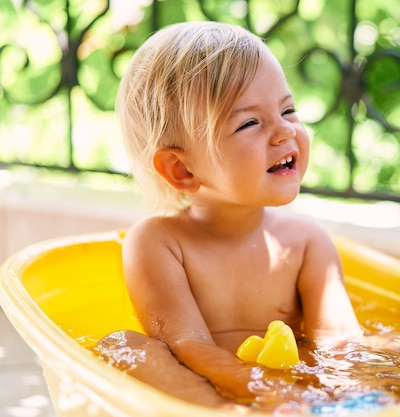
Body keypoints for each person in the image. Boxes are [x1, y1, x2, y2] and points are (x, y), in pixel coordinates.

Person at [98, 21, 365, 411]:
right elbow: (187, 346)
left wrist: (339, 392)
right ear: (182, 170)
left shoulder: (307, 242)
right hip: (209, 389)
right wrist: (256, 390)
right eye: (249, 123)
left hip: (292, 387)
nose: (284, 132)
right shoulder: (158, 243)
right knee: (124, 345)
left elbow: (339, 342)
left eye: (288, 109)